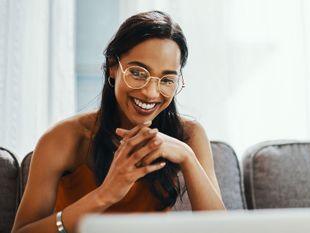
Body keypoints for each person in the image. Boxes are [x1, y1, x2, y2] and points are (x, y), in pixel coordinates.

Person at [11, 10, 225, 233]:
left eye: (167, 79)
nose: (151, 93)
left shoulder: (188, 136)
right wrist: (106, 194)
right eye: (138, 73)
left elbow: (221, 230)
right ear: (113, 67)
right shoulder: (64, 138)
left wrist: (187, 156)